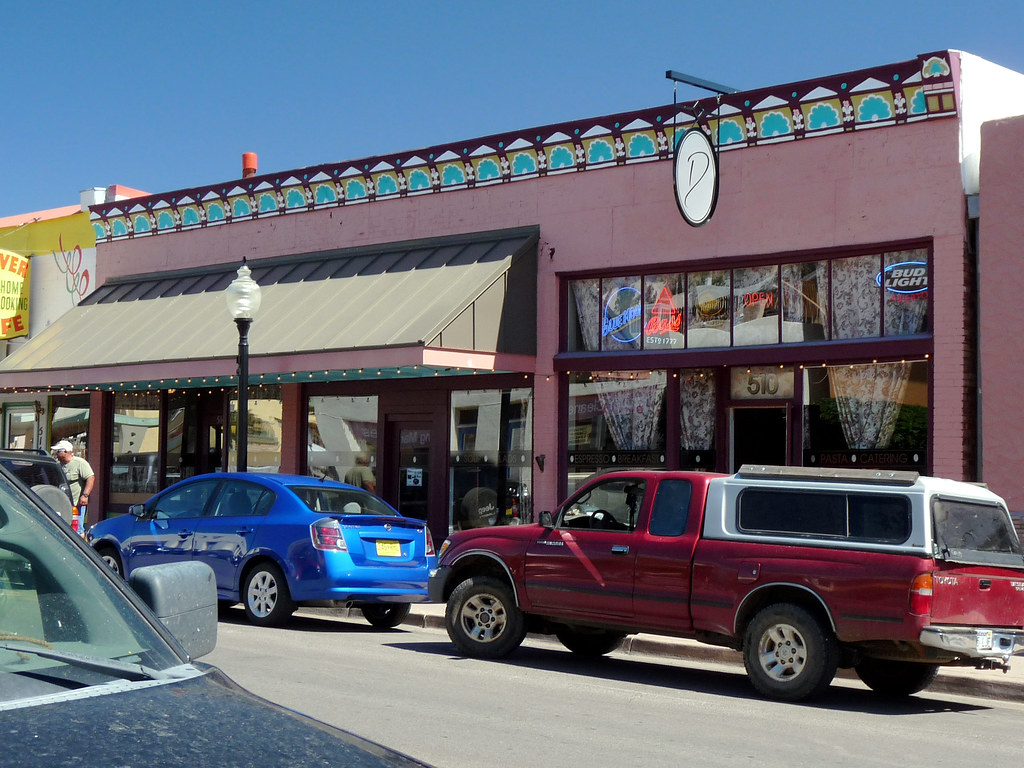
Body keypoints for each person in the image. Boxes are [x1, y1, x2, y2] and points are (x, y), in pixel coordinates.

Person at [51, 439, 95, 513]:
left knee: (77, 524)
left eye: (58, 451)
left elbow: (90, 478)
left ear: (65, 451)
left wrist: (85, 496)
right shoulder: (58, 465)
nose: (56, 454)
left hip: (76, 505)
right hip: (62, 503)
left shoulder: (80, 463)